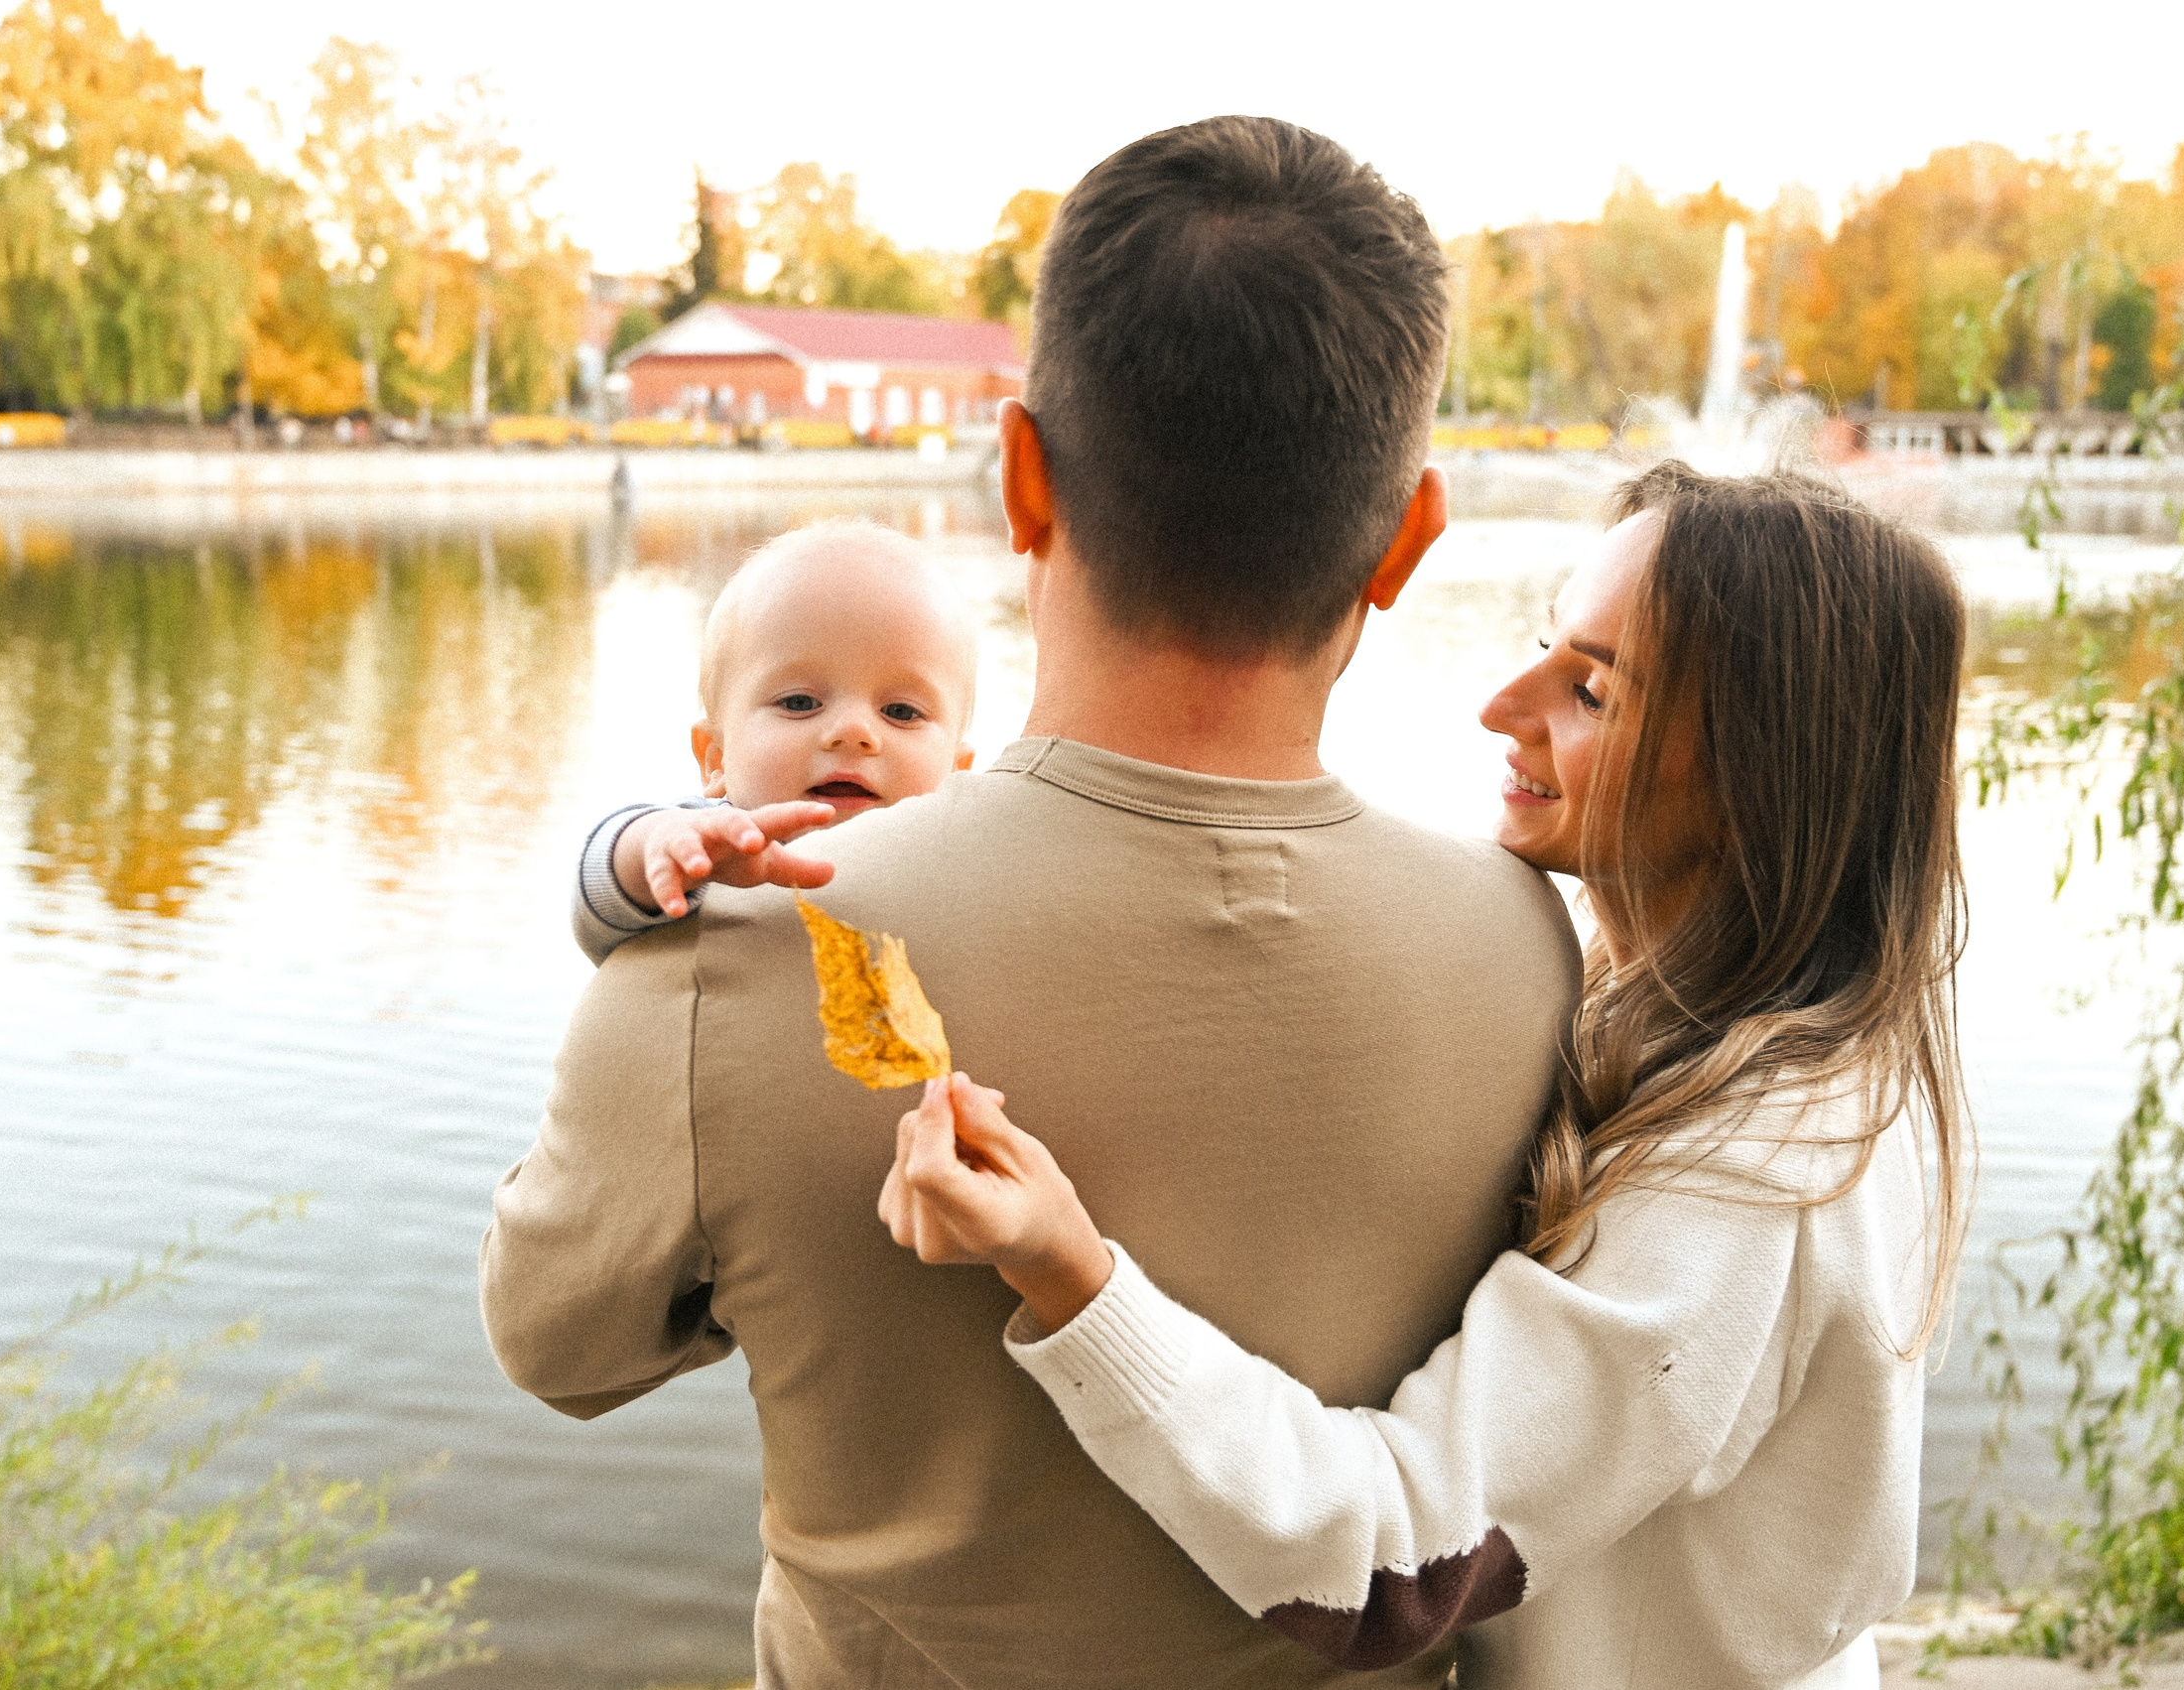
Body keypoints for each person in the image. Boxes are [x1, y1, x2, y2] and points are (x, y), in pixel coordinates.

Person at [480, 115, 1584, 1690]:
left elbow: (555, 1341)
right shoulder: (1534, 954)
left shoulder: (740, 937)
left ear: (1018, 474)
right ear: (1409, 534)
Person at [878, 463, 1975, 1690]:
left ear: (1755, 775)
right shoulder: (1716, 1025)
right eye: (1543, 646)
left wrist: (1070, 1273)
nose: (1500, 705)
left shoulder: (1754, 1174)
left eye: (1592, 690)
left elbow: (1391, 1567)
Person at [569, 520, 979, 965]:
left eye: (901, 712)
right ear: (716, 760)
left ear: (958, 774)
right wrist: (649, 843)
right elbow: (596, 909)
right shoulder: (719, 847)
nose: (853, 732)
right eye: (800, 702)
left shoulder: (960, 871)